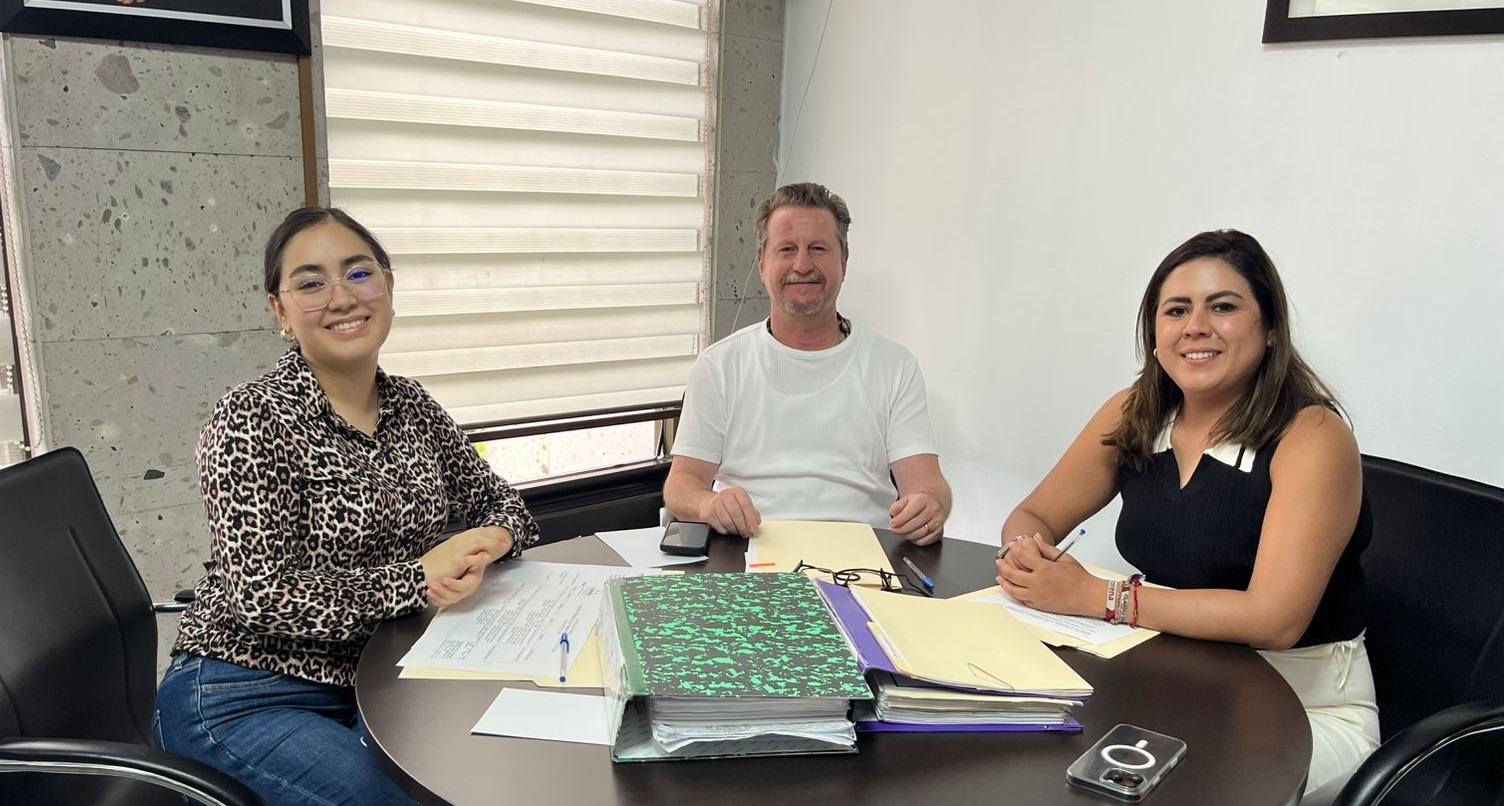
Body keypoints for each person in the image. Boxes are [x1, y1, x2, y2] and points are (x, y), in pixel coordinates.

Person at [154, 207, 539, 806]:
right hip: (247, 689)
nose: (341, 297)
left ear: (388, 287)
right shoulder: (250, 417)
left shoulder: (410, 403)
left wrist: (494, 540)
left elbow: (501, 501)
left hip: (379, 678)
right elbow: (260, 596)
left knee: (506, 770)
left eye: (359, 273)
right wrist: (416, 579)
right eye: (310, 283)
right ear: (280, 311)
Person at [995, 229, 1377, 794]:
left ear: (1271, 329)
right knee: (1032, 756)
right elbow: (1033, 514)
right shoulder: (1134, 412)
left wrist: (1099, 597)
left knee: (1173, 792)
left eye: (1223, 307)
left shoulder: (1312, 434)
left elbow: (1274, 619)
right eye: (1176, 310)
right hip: (1177, 690)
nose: (1196, 326)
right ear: (1155, 335)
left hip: (1301, 711)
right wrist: (1026, 556)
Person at [664, 182, 951, 544]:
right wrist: (708, 505)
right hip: (747, 549)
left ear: (843, 263)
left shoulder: (894, 366)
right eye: (787, 249)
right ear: (762, 264)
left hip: (863, 555)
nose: (802, 265)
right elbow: (681, 485)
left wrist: (929, 506)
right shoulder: (718, 366)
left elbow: (928, 485)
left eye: (818, 249)